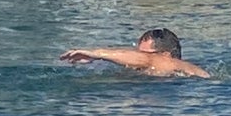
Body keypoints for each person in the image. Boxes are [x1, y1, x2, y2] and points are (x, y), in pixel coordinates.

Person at [60, 27, 210, 79]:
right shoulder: (168, 73)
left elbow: (149, 61)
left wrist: (97, 53)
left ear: (166, 55)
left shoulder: (174, 64)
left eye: (146, 55)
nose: (137, 59)